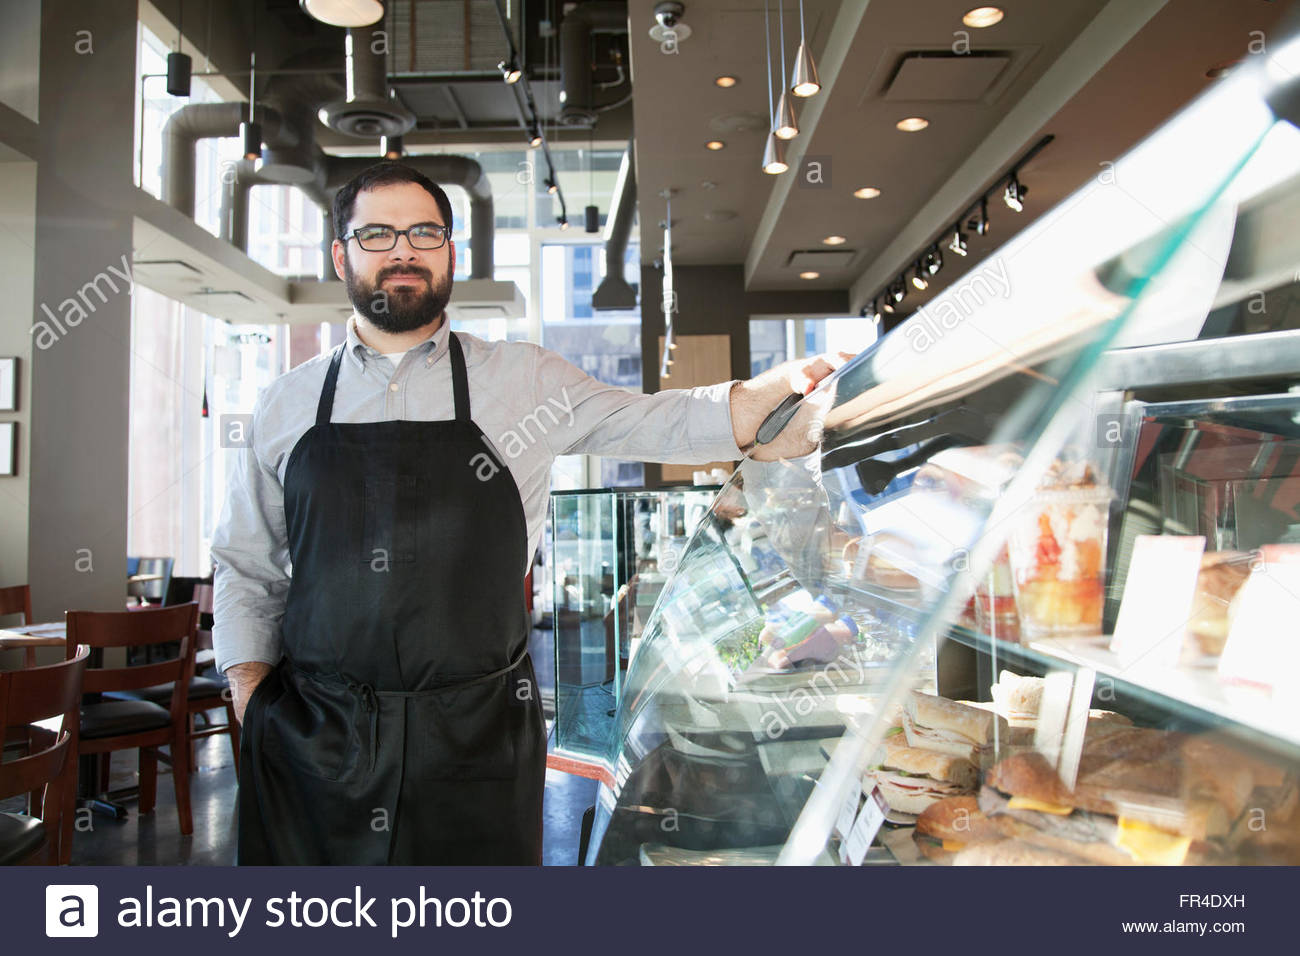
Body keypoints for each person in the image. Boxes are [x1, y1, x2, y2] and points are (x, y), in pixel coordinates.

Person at [211, 161, 845, 865]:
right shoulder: (285, 403)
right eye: (378, 234)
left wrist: (756, 408)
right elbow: (245, 561)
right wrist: (250, 693)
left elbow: (648, 421)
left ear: (451, 250)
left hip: (473, 738)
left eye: (425, 232)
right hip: (315, 735)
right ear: (341, 255)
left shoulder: (522, 379)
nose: (403, 251)